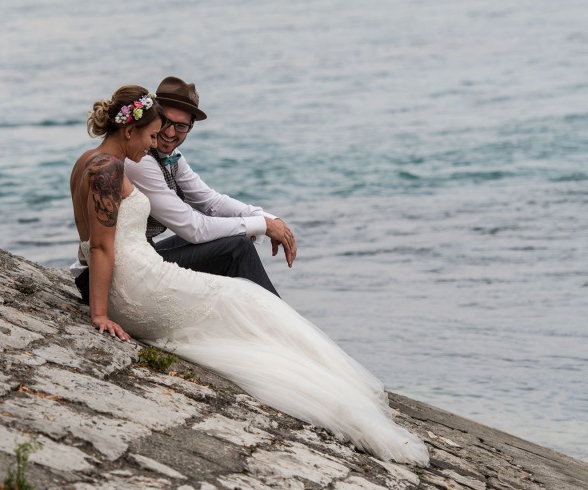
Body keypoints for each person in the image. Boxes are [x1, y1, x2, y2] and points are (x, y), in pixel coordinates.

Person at [69, 85, 429, 466]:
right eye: (153, 134)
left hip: (132, 273)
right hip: (133, 282)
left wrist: (263, 219)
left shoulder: (91, 160)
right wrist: (100, 315)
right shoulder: (115, 167)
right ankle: (307, 360)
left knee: (244, 296)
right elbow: (104, 247)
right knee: (248, 300)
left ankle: (296, 347)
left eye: (175, 129)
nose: (157, 141)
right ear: (129, 131)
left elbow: (207, 200)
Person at [73, 76, 296, 304]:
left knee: (235, 240)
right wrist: (262, 225)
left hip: (130, 260)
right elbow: (193, 228)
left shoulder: (167, 157)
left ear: (190, 127)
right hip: (113, 274)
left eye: (181, 126)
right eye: (166, 123)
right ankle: (279, 317)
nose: (170, 133)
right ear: (154, 117)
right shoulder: (137, 161)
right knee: (236, 248)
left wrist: (267, 219)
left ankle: (264, 312)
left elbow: (210, 201)